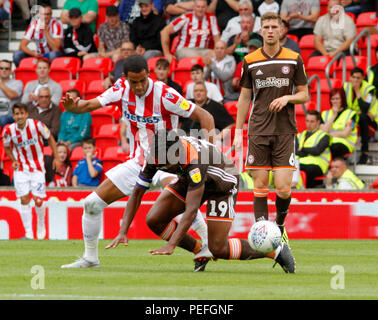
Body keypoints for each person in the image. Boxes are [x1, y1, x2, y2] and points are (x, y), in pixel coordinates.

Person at [60, 54, 215, 269]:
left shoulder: (165, 94)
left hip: (170, 161)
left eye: (143, 80)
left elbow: (205, 116)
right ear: (125, 78)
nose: (140, 86)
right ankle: (90, 258)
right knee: (91, 203)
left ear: (148, 75)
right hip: (140, 162)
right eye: (134, 82)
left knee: (182, 195)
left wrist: (208, 158)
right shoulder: (120, 89)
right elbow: (87, 106)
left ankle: (207, 243)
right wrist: (72, 107)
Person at [106, 130, 296, 274]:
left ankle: (275, 251)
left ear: (177, 153)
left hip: (223, 185)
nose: (162, 166)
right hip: (189, 179)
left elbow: (191, 210)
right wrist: (123, 231)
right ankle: (200, 251)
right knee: (154, 219)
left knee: (218, 248)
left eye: (166, 162)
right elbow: (137, 193)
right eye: (160, 162)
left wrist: (172, 244)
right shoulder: (157, 155)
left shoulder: (195, 160)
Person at [233, 12, 309, 244]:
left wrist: (287, 99)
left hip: (285, 130)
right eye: (265, 26)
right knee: (260, 184)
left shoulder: (293, 58)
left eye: (274, 26)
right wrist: (238, 131)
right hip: (258, 129)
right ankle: (262, 235)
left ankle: (280, 226)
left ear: (281, 30)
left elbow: (304, 95)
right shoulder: (250, 60)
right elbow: (245, 98)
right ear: (261, 30)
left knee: (284, 187)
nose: (269, 30)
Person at [2, 103, 59, 240]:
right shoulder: (8, 131)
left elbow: (50, 138)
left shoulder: (36, 125)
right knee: (24, 199)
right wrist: (13, 160)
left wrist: (56, 157)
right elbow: (7, 147)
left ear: (26, 114)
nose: (19, 116)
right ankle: (28, 233)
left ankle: (40, 224)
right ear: (13, 115)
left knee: (38, 200)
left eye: (22, 113)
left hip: (38, 168)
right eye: (16, 114)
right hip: (21, 169)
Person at [343, 67, 378, 164]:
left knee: (362, 117)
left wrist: (358, 92)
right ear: (349, 78)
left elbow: (364, 109)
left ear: (363, 78)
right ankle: (345, 152)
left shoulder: (369, 89)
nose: (355, 80)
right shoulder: (345, 87)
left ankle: (365, 152)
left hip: (372, 120)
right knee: (347, 119)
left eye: (358, 78)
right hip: (354, 117)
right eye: (353, 77)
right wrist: (355, 113)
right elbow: (343, 106)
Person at [13, 3, 64, 67]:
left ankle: (52, 74)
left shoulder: (57, 24)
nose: (45, 17)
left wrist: (45, 31)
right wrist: (34, 54)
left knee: (53, 54)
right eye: (43, 14)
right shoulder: (34, 24)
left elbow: (56, 48)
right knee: (17, 55)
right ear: (39, 15)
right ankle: (23, 74)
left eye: (48, 14)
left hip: (54, 53)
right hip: (39, 53)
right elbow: (22, 46)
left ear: (51, 15)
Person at [296, 110, 331, 188]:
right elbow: (296, 152)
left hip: (318, 165)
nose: (309, 124)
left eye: (312, 121)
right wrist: (309, 151)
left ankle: (306, 192)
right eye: (307, 121)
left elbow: (317, 151)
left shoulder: (324, 136)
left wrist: (302, 149)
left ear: (318, 122)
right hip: (300, 163)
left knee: (308, 170)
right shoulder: (299, 135)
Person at [320, 88, 358, 159]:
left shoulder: (352, 114)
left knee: (334, 147)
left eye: (337, 99)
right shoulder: (325, 114)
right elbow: (322, 132)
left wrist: (328, 135)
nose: (335, 101)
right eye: (332, 99)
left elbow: (345, 133)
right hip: (328, 142)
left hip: (344, 143)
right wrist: (334, 115)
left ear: (342, 99)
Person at [0, 60, 23, 128]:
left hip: (11, 116)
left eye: (7, 68)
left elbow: (12, 95)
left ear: (10, 71)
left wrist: (1, 84)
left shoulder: (18, 83)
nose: (4, 70)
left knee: (3, 119)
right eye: (1, 68)